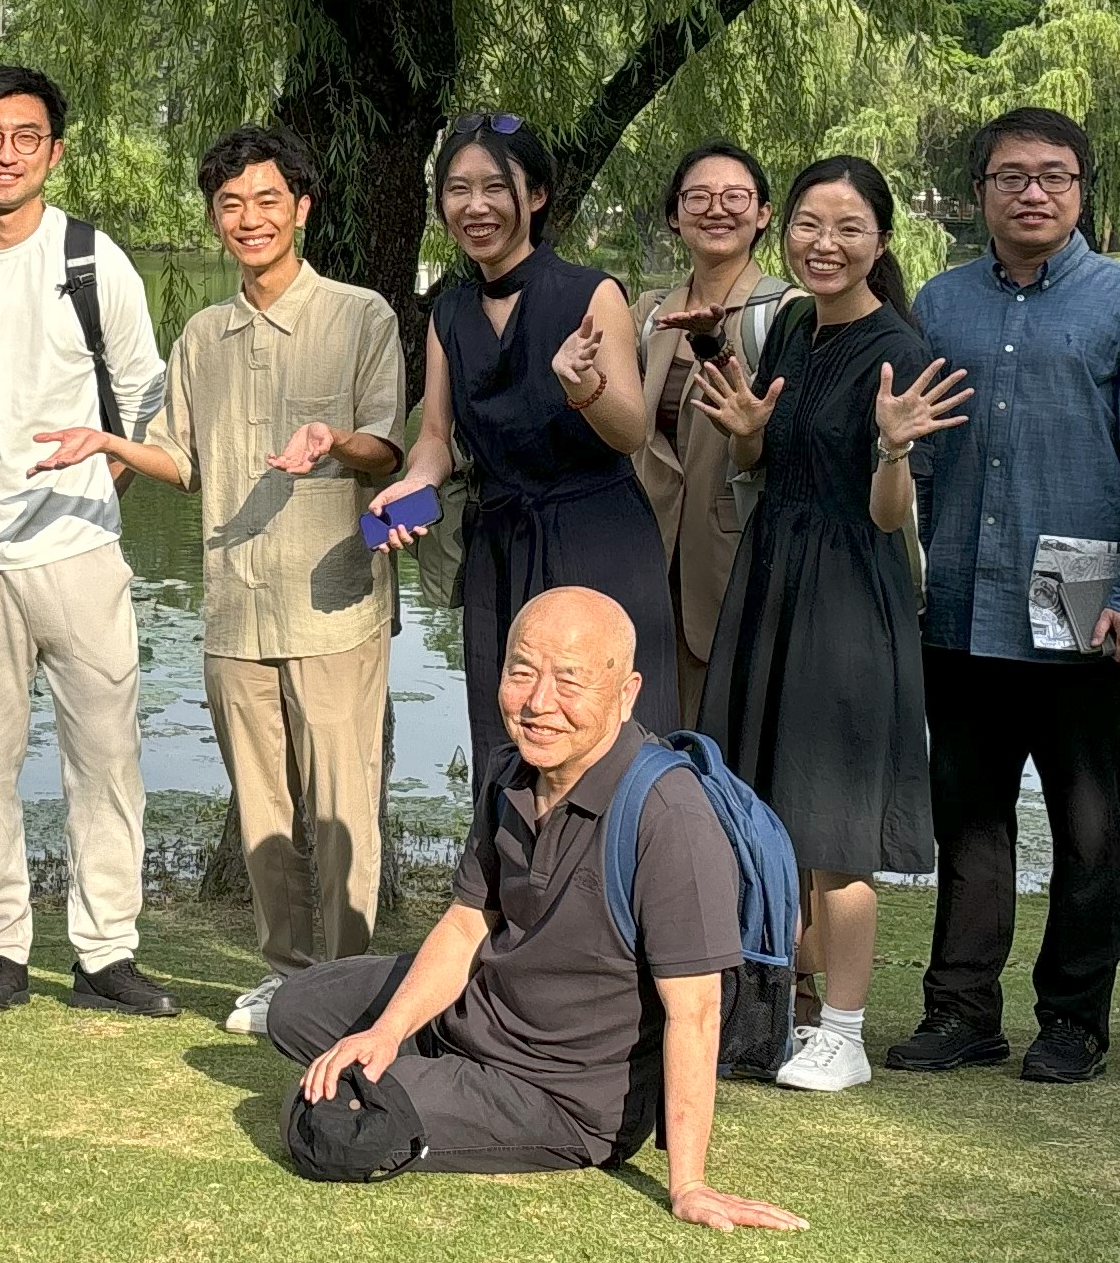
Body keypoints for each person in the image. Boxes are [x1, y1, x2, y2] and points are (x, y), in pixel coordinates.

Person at [28, 122, 407, 1038]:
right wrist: (112, 443)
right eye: (231, 204)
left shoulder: (360, 317)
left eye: (268, 200)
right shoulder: (203, 333)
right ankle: (286, 978)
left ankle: (348, 984)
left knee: (342, 809)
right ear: (214, 217)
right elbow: (184, 461)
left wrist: (334, 441)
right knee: (265, 814)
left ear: (302, 208)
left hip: (334, 605)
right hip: (235, 611)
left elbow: (389, 447)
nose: (249, 218)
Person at [261, 590, 802, 1226]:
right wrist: (387, 1030)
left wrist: (689, 1183)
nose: (539, 702)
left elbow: (696, 1010)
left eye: (569, 680)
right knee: (295, 1009)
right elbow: (468, 923)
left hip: (558, 1089)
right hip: (480, 1011)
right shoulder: (512, 771)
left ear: (626, 693)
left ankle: (446, 1095)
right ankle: (426, 1066)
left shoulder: (668, 815)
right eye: (522, 672)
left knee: (324, 1122)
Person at [889, 107, 1120, 1084]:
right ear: (981, 191)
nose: (1034, 193)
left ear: (1080, 190)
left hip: (1084, 606)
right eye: (1012, 176)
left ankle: (1073, 1020)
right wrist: (910, 574)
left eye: (1055, 176)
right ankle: (960, 1009)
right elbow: (919, 458)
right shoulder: (940, 304)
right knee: (968, 818)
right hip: (960, 600)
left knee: (1089, 823)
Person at [0, 62, 175, 1018]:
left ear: (54, 150)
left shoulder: (93, 261)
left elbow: (143, 394)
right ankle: (0, 949)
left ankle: (106, 952)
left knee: (107, 760)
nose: (5, 154)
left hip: (81, 550)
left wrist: (99, 478)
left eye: (25, 137)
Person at [688, 155, 965, 1092]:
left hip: (849, 595)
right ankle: (783, 1012)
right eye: (810, 224)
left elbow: (889, 518)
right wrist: (745, 431)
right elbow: (768, 459)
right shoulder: (794, 327)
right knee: (772, 807)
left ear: (880, 241)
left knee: (837, 826)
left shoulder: (900, 350)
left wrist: (892, 448)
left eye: (849, 228)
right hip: (773, 575)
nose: (825, 244)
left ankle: (844, 1033)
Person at [364, 113, 668, 769]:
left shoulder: (592, 294)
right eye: (457, 189)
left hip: (597, 537)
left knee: (605, 740)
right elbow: (436, 438)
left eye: (495, 187)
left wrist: (584, 387)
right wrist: (413, 487)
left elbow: (631, 431)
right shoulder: (448, 313)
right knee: (509, 738)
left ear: (536, 196)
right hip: (499, 546)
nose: (475, 206)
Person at [633, 142, 791, 730]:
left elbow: (789, 451)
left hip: (739, 558)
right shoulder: (649, 313)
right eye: (697, 197)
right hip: (650, 556)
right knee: (651, 732)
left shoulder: (786, 313)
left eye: (735, 197)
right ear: (675, 215)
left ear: (763, 214)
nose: (716, 209)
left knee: (729, 735)